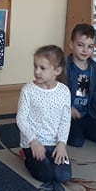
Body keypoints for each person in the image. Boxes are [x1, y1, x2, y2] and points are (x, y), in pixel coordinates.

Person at [16, 45, 71, 183]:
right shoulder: (28, 90)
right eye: (35, 66)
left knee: (63, 176)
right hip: (33, 143)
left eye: (42, 68)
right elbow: (21, 119)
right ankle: (25, 155)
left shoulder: (64, 91)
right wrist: (33, 141)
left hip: (54, 143)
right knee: (46, 176)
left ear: (57, 70)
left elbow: (65, 120)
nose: (37, 71)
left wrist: (62, 144)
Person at [65, 23, 96, 148]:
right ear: (71, 45)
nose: (85, 50)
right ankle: (71, 130)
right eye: (80, 45)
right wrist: (68, 107)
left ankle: (81, 129)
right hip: (69, 115)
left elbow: (95, 90)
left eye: (90, 46)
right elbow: (58, 92)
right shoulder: (65, 67)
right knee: (77, 141)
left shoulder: (94, 67)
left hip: (87, 114)